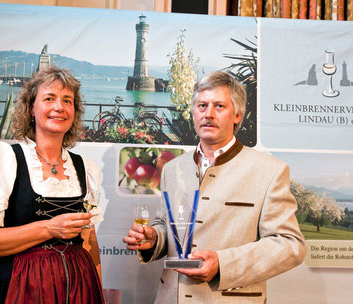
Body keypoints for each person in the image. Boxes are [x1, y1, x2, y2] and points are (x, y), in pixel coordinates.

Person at [123, 71, 306, 303]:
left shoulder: (270, 171)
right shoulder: (172, 168)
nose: (208, 114)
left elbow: (290, 245)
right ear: (193, 112)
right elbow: (167, 226)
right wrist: (154, 239)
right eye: (202, 105)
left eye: (219, 106)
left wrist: (223, 263)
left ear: (237, 115)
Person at [0, 66, 105, 304]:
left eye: (67, 101)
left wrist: (98, 292)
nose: (59, 107)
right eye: (49, 98)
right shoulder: (5, 158)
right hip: (20, 289)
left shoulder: (84, 168)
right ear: (31, 108)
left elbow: (89, 242)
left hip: (79, 290)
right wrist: (48, 229)